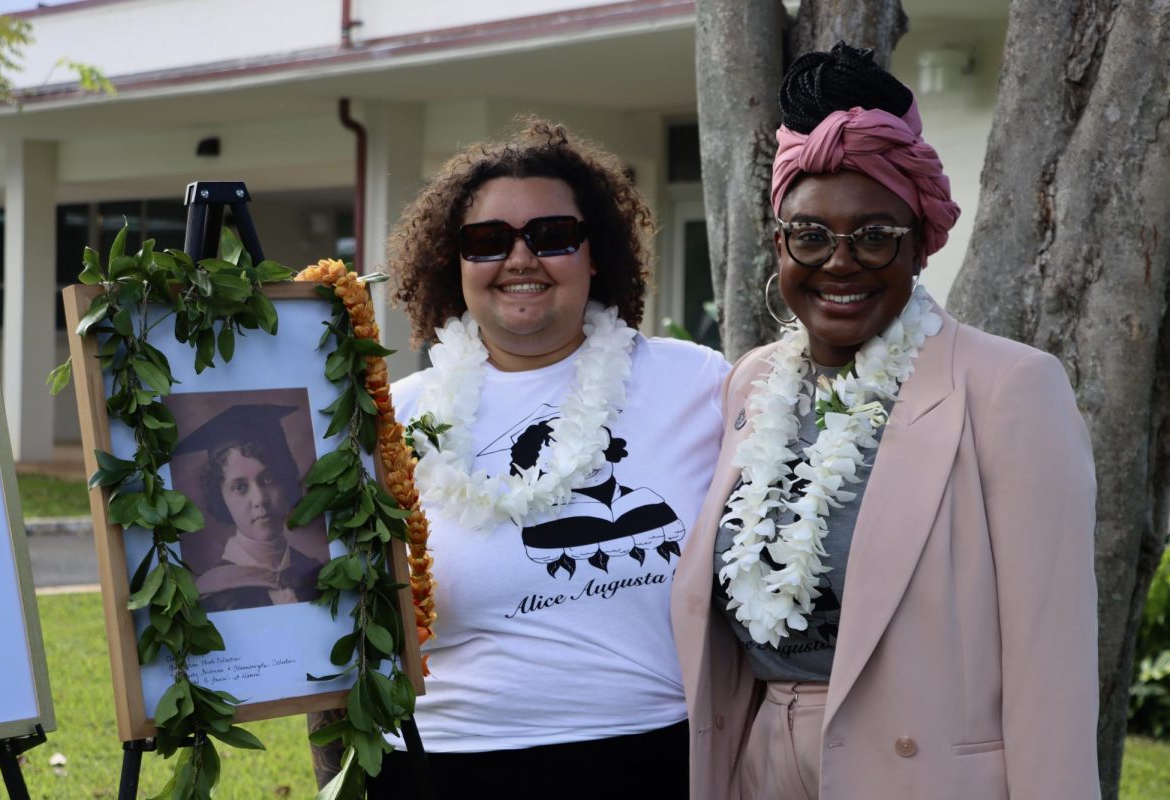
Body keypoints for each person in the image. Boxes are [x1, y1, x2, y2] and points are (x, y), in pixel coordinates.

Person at [670, 44, 1099, 800]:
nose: (840, 263)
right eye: (810, 235)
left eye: (874, 235)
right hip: (760, 764)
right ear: (779, 244)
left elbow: (1051, 663)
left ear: (921, 243)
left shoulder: (1008, 388)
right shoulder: (752, 383)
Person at [377, 117, 730, 796]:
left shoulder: (697, 383)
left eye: (552, 236)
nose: (520, 259)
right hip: (443, 764)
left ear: (595, 254)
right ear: (454, 263)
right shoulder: (394, 416)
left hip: (649, 760)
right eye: (487, 241)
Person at [174, 403, 326, 613]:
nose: (259, 500)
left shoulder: (316, 575)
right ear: (220, 497)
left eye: (268, 478)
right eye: (240, 487)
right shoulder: (210, 598)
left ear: (285, 479)